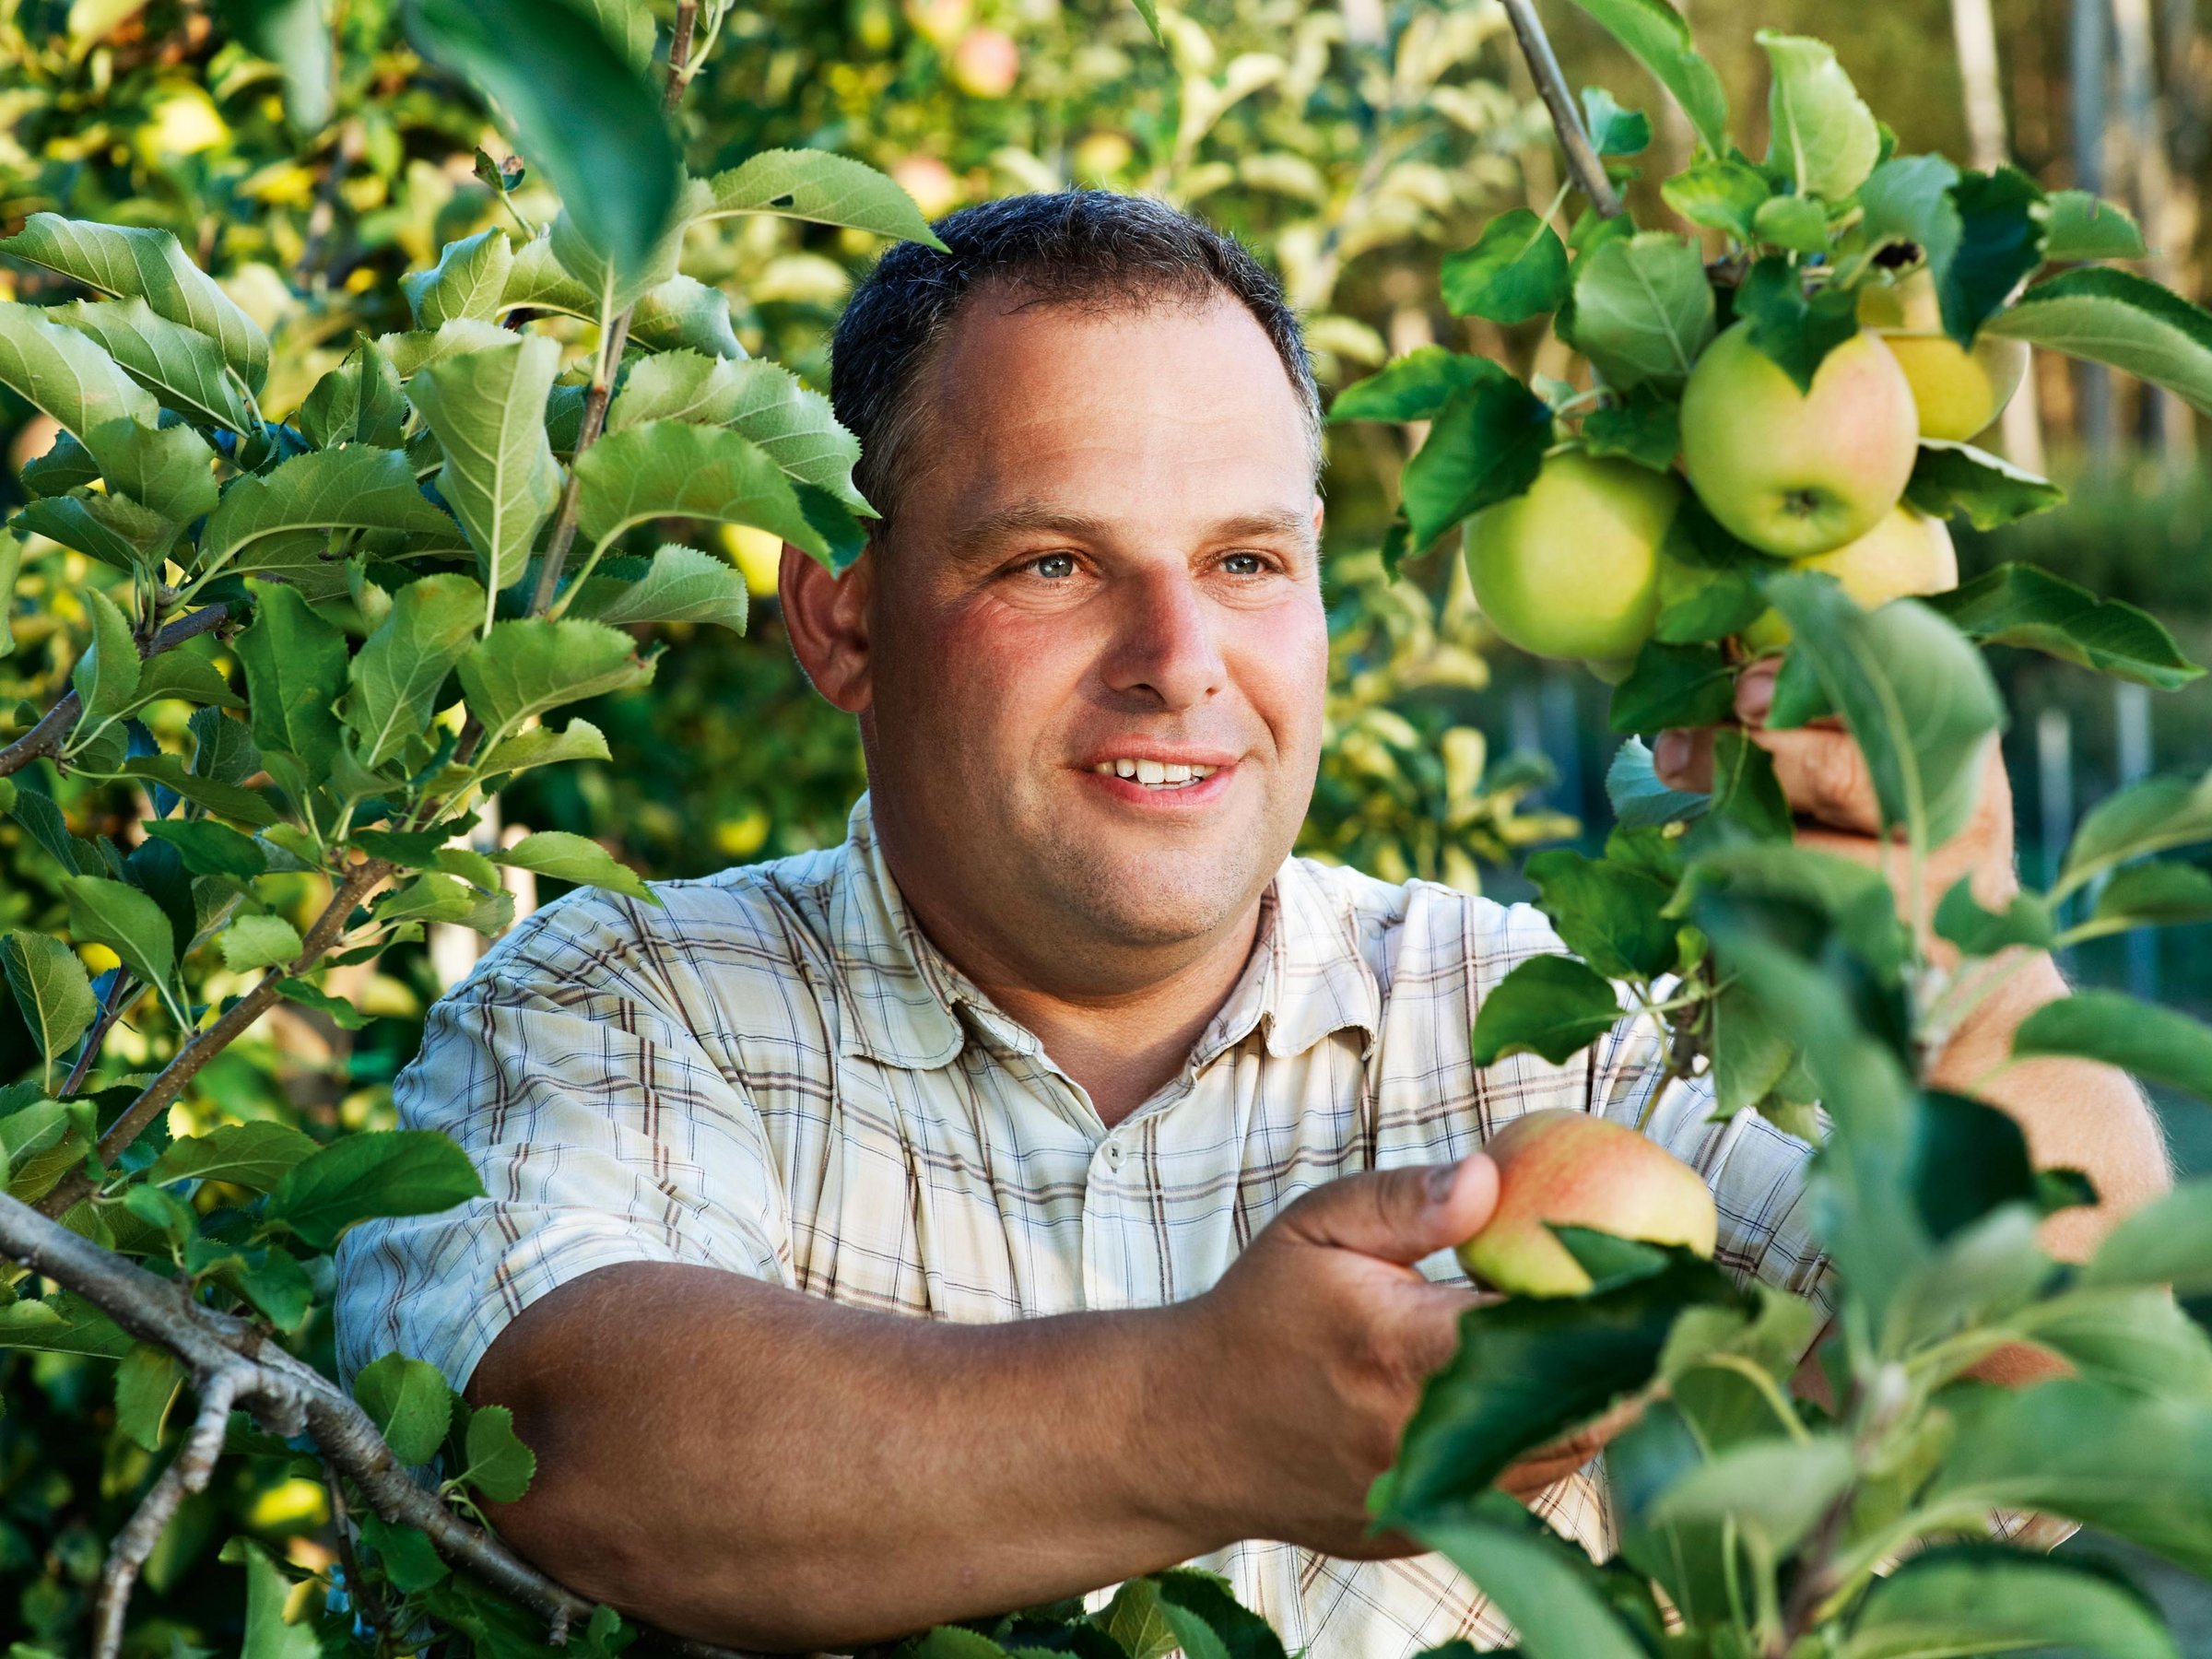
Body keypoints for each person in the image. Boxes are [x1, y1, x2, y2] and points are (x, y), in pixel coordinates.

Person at [333, 191, 2171, 1656]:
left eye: (1245, 564)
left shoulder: (1528, 1026)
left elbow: (2037, 1379)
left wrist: (1974, 955)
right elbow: (564, 1442)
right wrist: (1200, 1425)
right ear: (840, 617)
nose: (1178, 662)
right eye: (1049, 564)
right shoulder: (621, 1006)